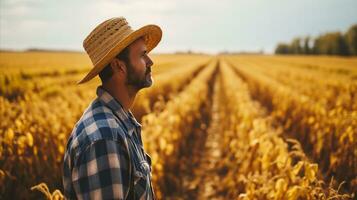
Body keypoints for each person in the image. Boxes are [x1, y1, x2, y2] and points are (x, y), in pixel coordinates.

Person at [62, 17, 162, 199]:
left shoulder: (117, 121)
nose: (150, 61)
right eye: (142, 55)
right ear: (118, 66)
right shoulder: (105, 139)